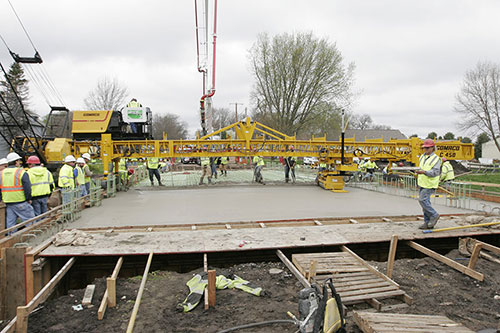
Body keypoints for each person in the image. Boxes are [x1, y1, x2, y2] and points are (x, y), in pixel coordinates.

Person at [0, 152, 35, 231]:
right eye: (19, 161)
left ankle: (11, 240)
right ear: (16, 162)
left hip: (8, 203)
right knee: (31, 223)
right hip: (20, 202)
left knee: (11, 225)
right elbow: (27, 188)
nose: (19, 163)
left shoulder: (1, 174)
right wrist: (28, 198)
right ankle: (34, 239)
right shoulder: (21, 172)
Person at [415, 139, 442, 230]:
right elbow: (421, 167)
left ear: (432, 148)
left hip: (430, 184)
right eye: (424, 148)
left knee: (422, 200)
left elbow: (435, 172)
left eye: (427, 148)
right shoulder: (422, 157)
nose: (425, 149)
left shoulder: (436, 159)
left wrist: (424, 172)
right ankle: (428, 223)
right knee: (425, 203)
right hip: (422, 183)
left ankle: (434, 215)